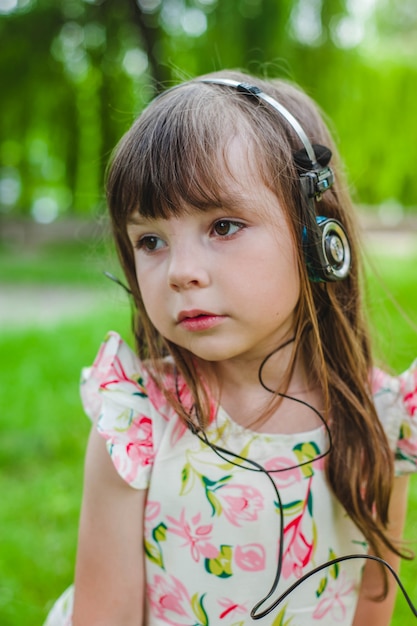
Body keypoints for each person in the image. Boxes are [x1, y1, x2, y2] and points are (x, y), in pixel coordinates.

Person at [44, 70, 417, 626]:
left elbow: (372, 605)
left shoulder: (381, 421)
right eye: (151, 240)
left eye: (223, 225)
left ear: (319, 239)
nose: (181, 272)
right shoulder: (137, 421)